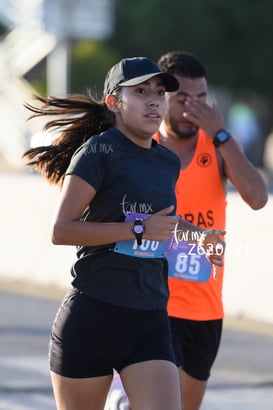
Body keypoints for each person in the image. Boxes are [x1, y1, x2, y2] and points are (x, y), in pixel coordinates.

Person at [22, 56, 226, 410]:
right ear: (114, 102)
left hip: (149, 318)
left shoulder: (166, 162)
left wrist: (200, 237)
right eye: (141, 91)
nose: (154, 100)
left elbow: (164, 222)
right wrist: (136, 229)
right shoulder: (98, 153)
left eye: (160, 93)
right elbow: (62, 230)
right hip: (92, 317)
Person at [153, 51, 268, 410]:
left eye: (201, 100)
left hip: (204, 310)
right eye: (182, 99)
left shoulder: (216, 148)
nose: (192, 109)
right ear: (162, 97)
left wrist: (221, 134)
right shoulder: (145, 147)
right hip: (153, 303)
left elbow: (258, 197)